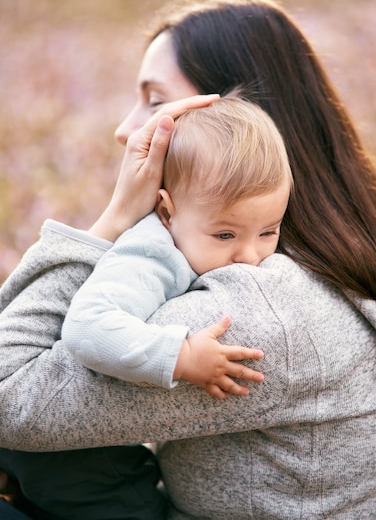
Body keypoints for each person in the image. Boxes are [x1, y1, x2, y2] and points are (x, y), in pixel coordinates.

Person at [0, 0, 376, 519]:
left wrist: (110, 222)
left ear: (236, 127)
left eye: (155, 103)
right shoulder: (310, 265)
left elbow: (6, 394)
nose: (126, 129)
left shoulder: (260, 306)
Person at [0, 96, 291, 520]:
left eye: (268, 232)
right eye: (226, 235)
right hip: (78, 465)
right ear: (166, 211)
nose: (250, 255)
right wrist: (181, 356)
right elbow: (88, 327)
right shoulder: (149, 256)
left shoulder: (195, 238)